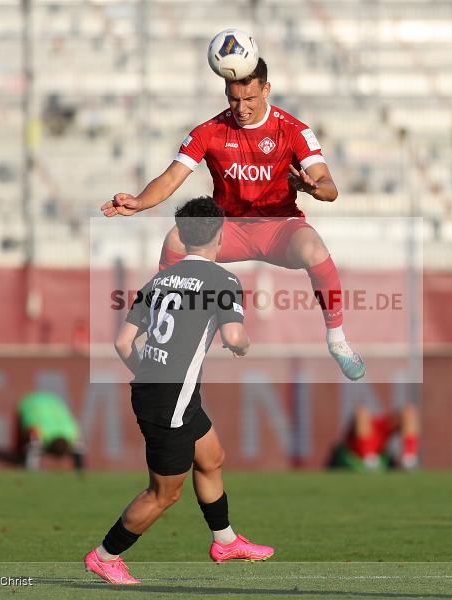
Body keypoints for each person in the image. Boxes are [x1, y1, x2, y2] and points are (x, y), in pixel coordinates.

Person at [102, 57, 366, 381]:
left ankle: (337, 340)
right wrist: (140, 201)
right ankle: (165, 329)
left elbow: (330, 188)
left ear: (266, 90)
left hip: (279, 228)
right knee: (174, 238)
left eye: (250, 99)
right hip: (227, 231)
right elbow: (171, 178)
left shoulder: (294, 131)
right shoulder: (210, 131)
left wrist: (313, 188)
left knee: (315, 251)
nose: (241, 108)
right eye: (234, 99)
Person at [84, 196, 273, 586]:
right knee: (164, 493)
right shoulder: (224, 280)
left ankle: (224, 540)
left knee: (212, 457)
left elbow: (123, 344)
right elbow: (235, 336)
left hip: (165, 392)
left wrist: (150, 374)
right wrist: (242, 344)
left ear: (182, 236)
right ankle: (105, 555)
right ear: (221, 236)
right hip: (172, 399)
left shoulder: (158, 281)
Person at [0, 390, 84, 472]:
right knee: (19, 457)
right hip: (28, 405)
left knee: (24, 456)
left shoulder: (73, 433)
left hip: (51, 400)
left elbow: (79, 455)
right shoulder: (40, 434)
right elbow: (31, 459)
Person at [329, 404, 421, 472]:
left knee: (410, 411)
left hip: (378, 458)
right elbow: (360, 414)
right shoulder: (367, 419)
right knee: (362, 411)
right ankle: (369, 458)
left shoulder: (386, 424)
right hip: (352, 457)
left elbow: (408, 415)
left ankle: (409, 460)